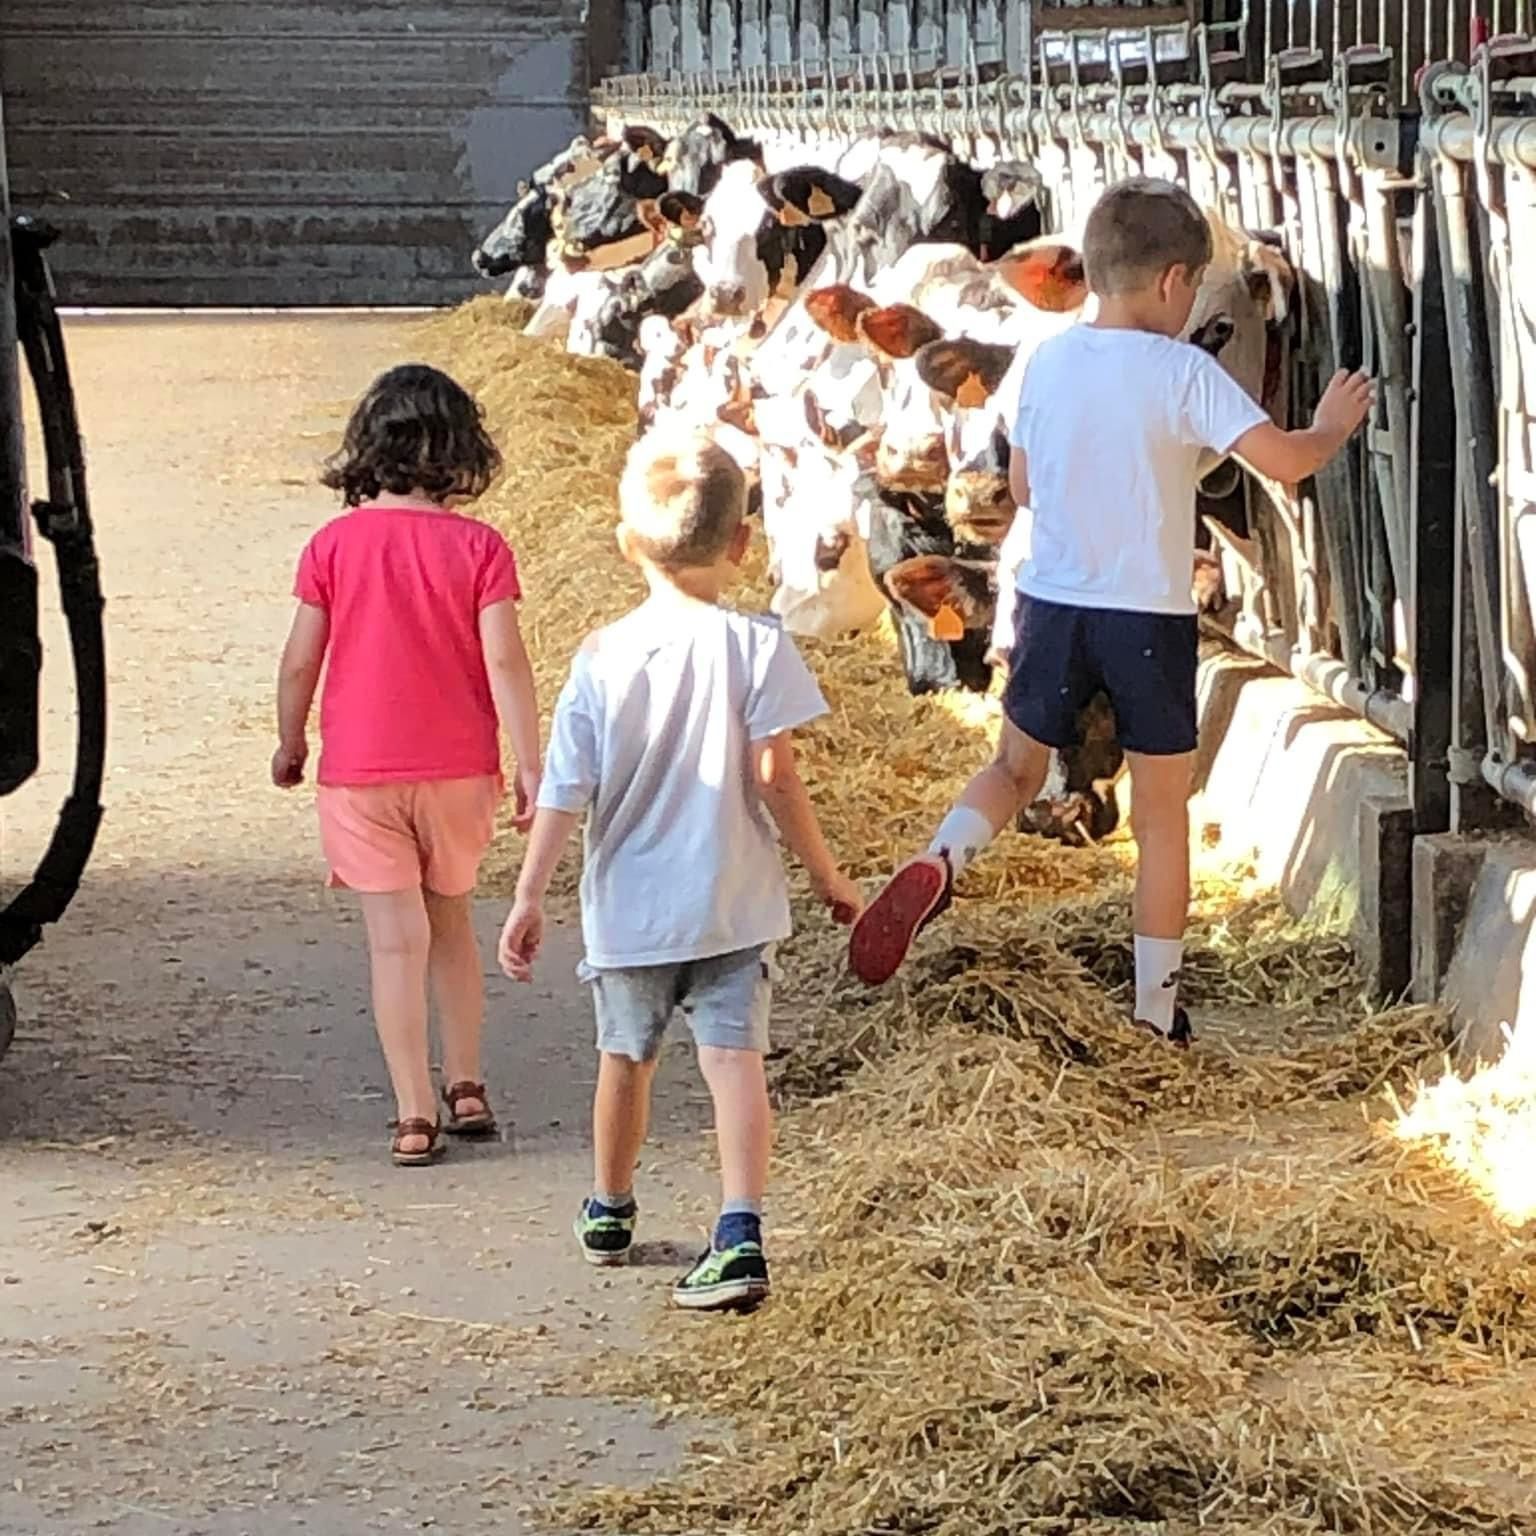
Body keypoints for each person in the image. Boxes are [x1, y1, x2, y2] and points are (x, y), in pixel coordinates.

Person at [849, 177, 1373, 1045]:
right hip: (1147, 617)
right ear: (1175, 284)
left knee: (1016, 768)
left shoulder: (1046, 362)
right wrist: (1329, 424)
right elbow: (1284, 464)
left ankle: (943, 855)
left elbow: (1018, 485)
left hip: (1052, 601)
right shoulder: (1182, 371)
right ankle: (1154, 1009)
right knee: (1160, 815)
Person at [498, 430, 862, 1311]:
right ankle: (740, 1227)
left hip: (630, 911)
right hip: (734, 903)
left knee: (625, 1057)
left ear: (627, 545)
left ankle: (611, 1207)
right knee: (735, 1062)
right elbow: (776, 776)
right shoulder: (758, 645)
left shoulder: (599, 657)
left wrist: (528, 893)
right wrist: (826, 874)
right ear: (743, 544)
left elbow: (565, 790)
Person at [272, 364, 540, 1166]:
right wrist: (531, 762)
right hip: (461, 769)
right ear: (462, 449)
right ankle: (467, 1083)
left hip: (361, 774)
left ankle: (413, 1113)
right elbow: (506, 663)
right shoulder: (481, 547)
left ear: (368, 446)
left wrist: (291, 742)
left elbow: (297, 663)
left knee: (396, 943)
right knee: (451, 919)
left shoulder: (331, 545)